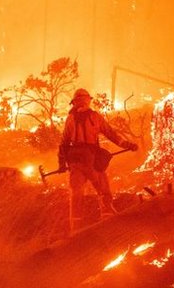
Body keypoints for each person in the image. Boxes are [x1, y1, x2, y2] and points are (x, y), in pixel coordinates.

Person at [58, 88, 137, 232]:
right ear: (87, 100)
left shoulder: (70, 119)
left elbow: (63, 143)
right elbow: (111, 134)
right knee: (103, 190)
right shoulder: (94, 117)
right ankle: (108, 221)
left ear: (74, 103)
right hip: (91, 162)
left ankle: (75, 230)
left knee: (76, 195)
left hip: (76, 163)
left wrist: (62, 164)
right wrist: (127, 144)